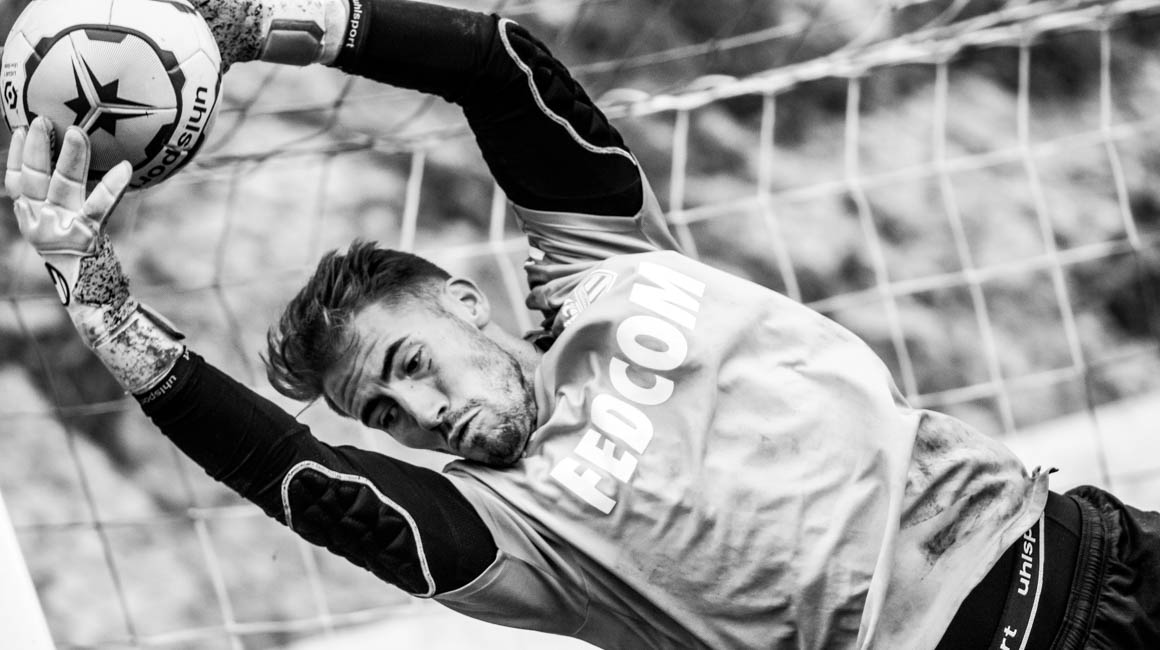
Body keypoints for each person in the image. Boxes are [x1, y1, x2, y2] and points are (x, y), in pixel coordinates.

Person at [5, 0, 1160, 647]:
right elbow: (291, 471)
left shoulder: (603, 267)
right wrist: (95, 296)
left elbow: (498, 68)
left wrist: (267, 23)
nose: (421, 414)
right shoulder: (515, 532)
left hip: (1102, 545)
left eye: (409, 363)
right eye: (385, 415)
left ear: (465, 301)